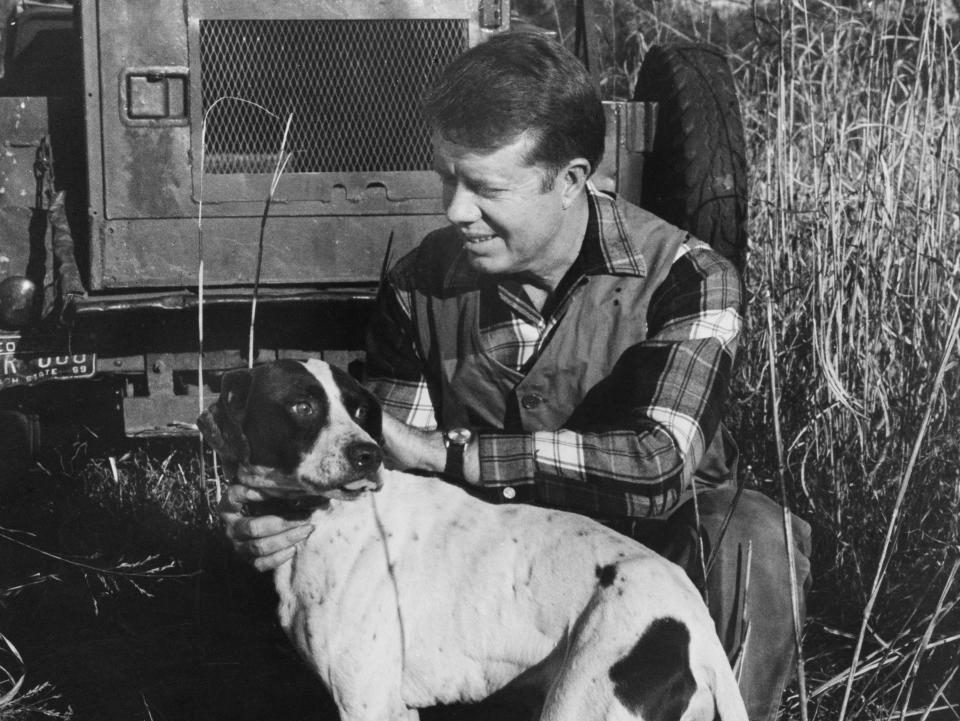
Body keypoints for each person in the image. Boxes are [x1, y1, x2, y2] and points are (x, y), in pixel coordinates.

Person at [221, 31, 812, 721]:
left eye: (485, 188)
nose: (454, 210)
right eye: (448, 178)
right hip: (497, 582)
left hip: (658, 550)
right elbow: (379, 488)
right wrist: (275, 512)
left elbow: (657, 467)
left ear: (569, 180)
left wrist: (453, 452)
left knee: (754, 537)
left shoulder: (690, 278)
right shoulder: (419, 287)